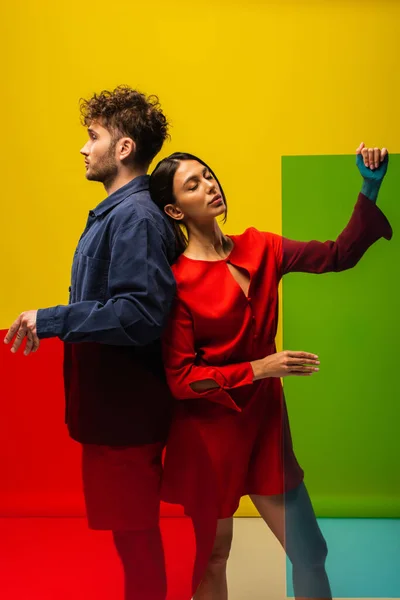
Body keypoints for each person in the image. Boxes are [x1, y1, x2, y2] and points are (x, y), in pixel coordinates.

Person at [149, 142, 392, 599]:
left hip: (265, 430)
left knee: (310, 552)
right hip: (208, 440)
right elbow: (182, 380)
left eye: (208, 175)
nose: (210, 186)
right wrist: (260, 368)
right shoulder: (176, 283)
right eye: (193, 184)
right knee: (213, 558)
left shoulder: (261, 247)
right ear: (174, 210)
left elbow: (338, 255)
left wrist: (369, 187)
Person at [4, 86, 177, 600]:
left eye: (93, 136)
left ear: (123, 149)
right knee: (131, 537)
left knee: (136, 538)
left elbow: (141, 313)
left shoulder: (136, 217)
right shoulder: (121, 212)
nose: (84, 148)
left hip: (125, 415)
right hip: (110, 412)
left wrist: (51, 319)